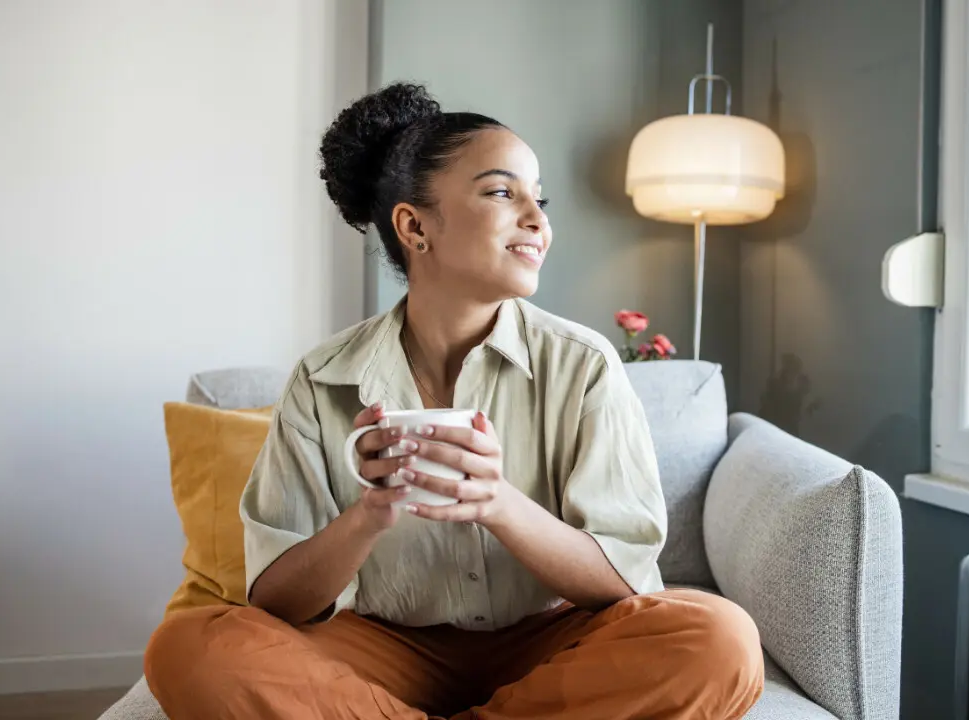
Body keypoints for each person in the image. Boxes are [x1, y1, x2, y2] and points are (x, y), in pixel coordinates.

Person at [144, 83, 764, 720]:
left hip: (551, 644)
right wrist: (368, 514)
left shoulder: (584, 364)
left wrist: (499, 504)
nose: (538, 220)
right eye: (502, 192)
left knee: (719, 640)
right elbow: (276, 602)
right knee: (191, 648)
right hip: (380, 647)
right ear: (414, 226)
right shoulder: (321, 378)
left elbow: (623, 581)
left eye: (540, 198)